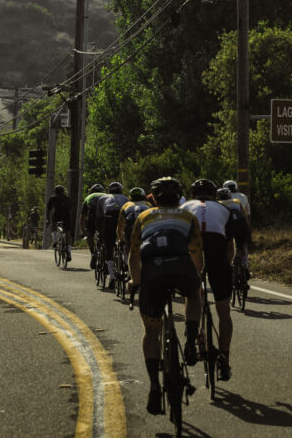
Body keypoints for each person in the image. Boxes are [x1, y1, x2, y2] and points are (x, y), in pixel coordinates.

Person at [128, 177, 203, 416]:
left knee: (151, 331)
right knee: (194, 294)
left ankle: (153, 387)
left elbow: (134, 254)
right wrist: (195, 278)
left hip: (153, 272)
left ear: (155, 198)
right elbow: (196, 250)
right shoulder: (188, 217)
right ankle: (191, 342)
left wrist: (135, 281)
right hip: (181, 267)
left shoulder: (143, 217)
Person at [183, 178, 244, 381]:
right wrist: (226, 269)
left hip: (193, 245)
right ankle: (225, 361)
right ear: (214, 195)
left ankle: (194, 335)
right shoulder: (224, 209)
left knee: (194, 295)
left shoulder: (184, 208)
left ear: (193, 195)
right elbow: (229, 246)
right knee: (223, 311)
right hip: (217, 244)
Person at [98, 181, 129, 289]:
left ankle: (111, 276)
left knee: (108, 246)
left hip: (109, 217)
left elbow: (99, 217)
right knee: (124, 239)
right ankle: (126, 260)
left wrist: (101, 233)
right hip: (123, 216)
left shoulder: (102, 198)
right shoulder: (125, 198)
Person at [81, 184, 107, 268]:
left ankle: (93, 253)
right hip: (104, 217)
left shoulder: (88, 198)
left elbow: (83, 217)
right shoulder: (106, 195)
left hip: (92, 217)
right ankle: (105, 253)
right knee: (105, 236)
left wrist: (84, 232)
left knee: (90, 235)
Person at [46, 185, 72, 258]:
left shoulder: (52, 198)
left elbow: (49, 210)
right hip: (66, 215)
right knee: (68, 233)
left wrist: (48, 220)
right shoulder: (67, 198)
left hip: (57, 215)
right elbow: (70, 209)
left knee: (54, 225)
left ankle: (54, 240)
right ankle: (69, 250)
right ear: (63, 191)